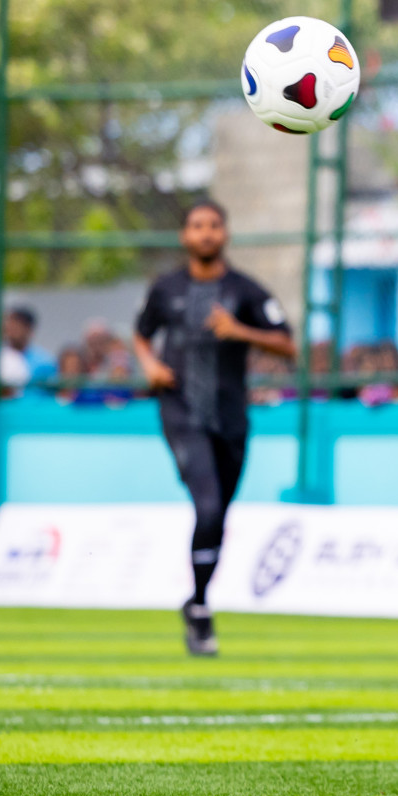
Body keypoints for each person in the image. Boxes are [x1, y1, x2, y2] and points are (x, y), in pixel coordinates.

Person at [133, 200, 294, 656]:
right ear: (185, 236)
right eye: (197, 226)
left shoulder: (246, 291)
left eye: (214, 226)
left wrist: (241, 331)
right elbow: (141, 332)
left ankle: (197, 600)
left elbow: (286, 344)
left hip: (230, 417)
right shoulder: (165, 288)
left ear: (225, 234)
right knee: (206, 505)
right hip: (181, 410)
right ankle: (201, 610)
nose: (205, 233)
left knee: (219, 513)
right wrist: (149, 364)